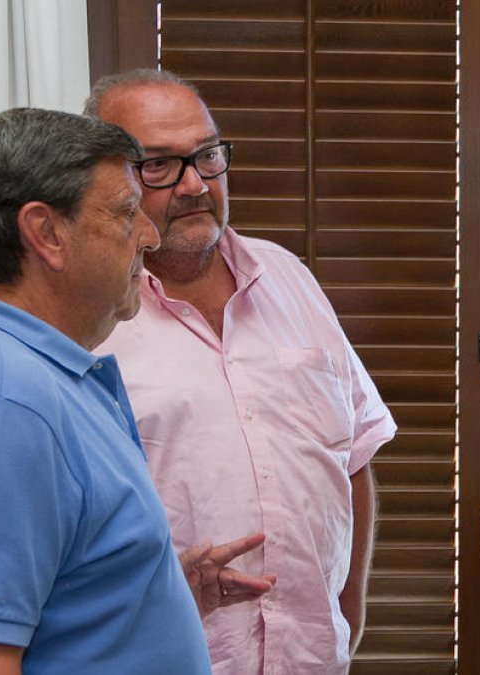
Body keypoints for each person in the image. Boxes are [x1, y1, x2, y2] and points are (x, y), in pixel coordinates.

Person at [0, 108, 274, 675]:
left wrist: (137, 601)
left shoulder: (13, 374)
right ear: (47, 234)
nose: (149, 236)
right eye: (127, 212)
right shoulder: (6, 406)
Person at [84, 69, 397, 675]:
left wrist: (345, 616)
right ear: (103, 178)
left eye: (207, 155)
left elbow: (352, 458)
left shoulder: (287, 276)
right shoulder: (89, 318)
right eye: (158, 165)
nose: (195, 184)